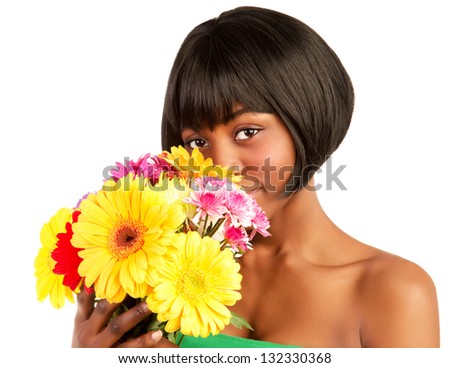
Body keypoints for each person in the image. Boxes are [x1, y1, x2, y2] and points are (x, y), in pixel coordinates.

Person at [72, 6, 440, 348]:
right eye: (198, 141)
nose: (219, 167)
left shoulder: (394, 292)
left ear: (306, 118)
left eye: (247, 131)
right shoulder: (150, 271)